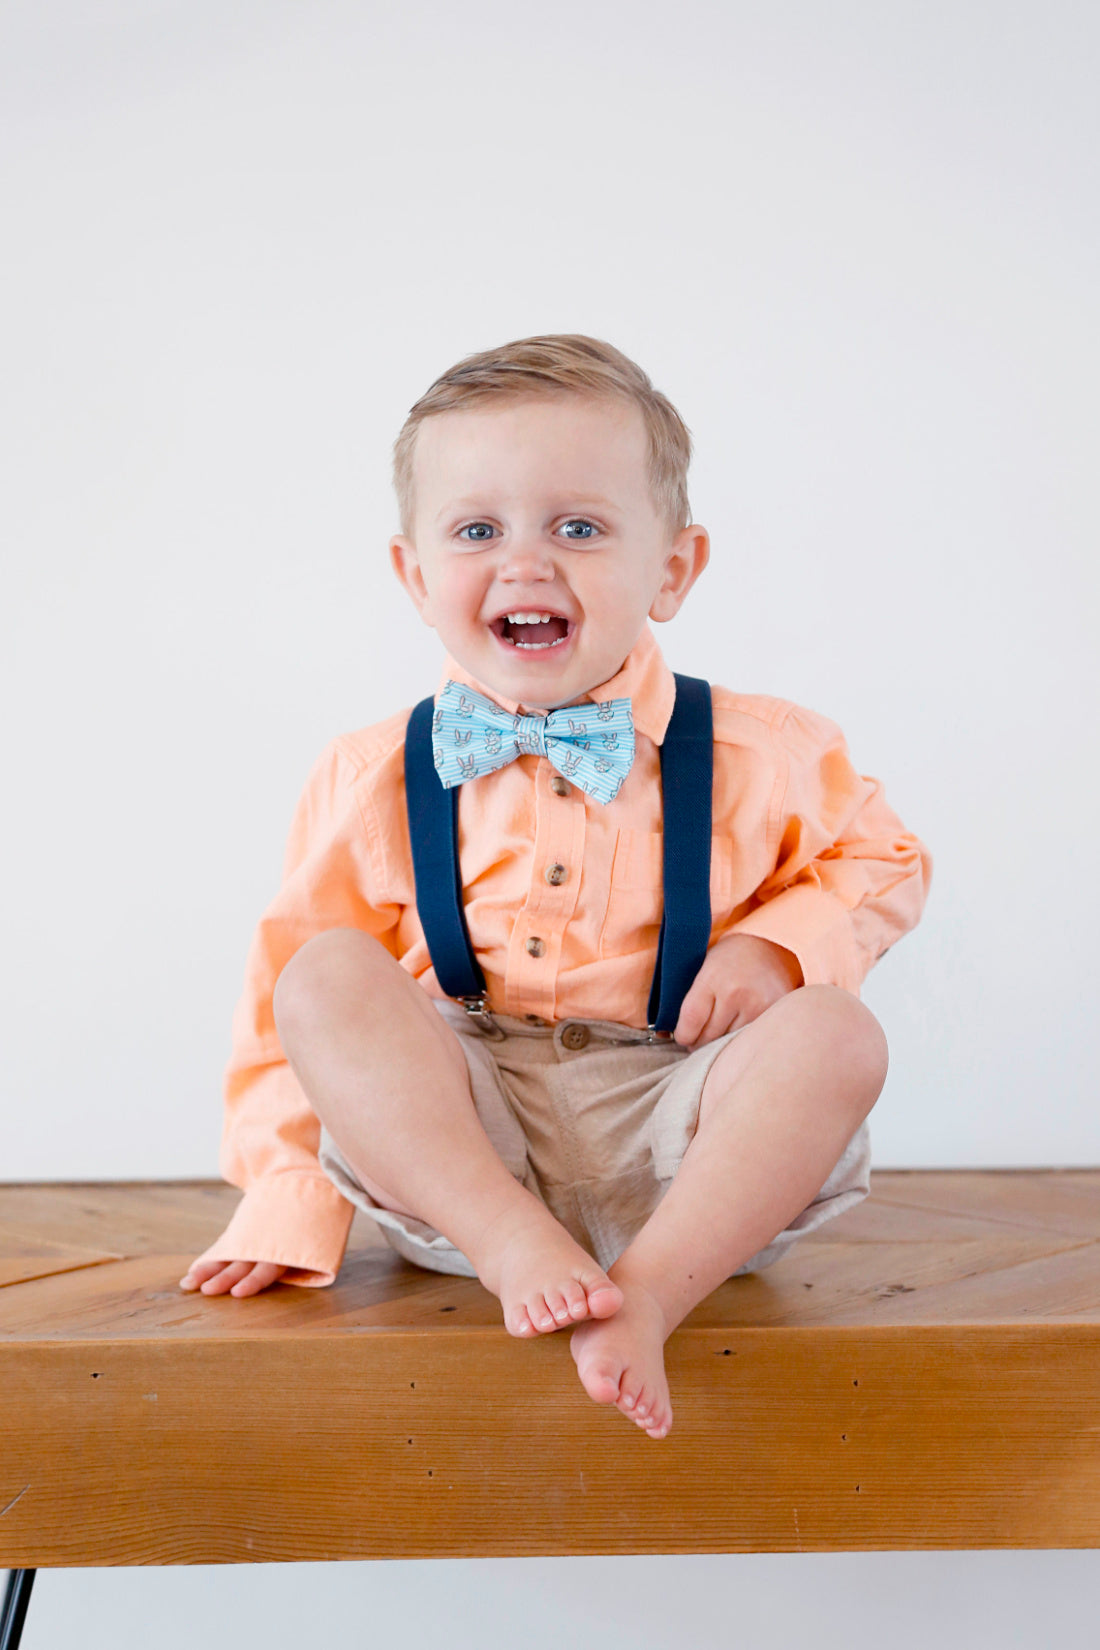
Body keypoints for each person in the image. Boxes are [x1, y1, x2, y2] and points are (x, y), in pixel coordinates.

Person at [179, 334, 932, 1439]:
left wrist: (779, 947)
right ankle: (512, 1244)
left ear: (671, 568)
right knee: (324, 974)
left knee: (834, 1034)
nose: (526, 564)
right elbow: (284, 1018)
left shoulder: (764, 753)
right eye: (478, 530)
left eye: (576, 527)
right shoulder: (369, 774)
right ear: (414, 574)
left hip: (690, 1147)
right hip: (470, 1147)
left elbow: (886, 861)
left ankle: (649, 1300)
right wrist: (289, 1195)